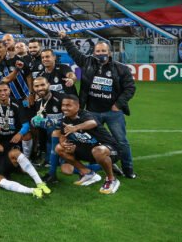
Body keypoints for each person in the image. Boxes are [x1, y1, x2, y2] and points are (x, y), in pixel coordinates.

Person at [60, 31, 136, 178]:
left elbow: (130, 88)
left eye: (103, 51)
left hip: (113, 113)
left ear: (109, 53)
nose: (100, 53)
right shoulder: (87, 62)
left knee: (121, 141)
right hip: (91, 112)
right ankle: (108, 163)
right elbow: (73, 52)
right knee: (92, 141)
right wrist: (65, 38)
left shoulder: (121, 68)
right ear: (94, 53)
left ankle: (128, 170)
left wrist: (118, 104)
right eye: (98, 51)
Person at [55, 94, 122, 194]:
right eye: (63, 105)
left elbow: (92, 123)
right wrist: (64, 143)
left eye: (68, 105)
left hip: (110, 149)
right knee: (59, 148)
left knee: (98, 151)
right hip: (88, 150)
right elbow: (62, 135)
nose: (65, 108)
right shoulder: (65, 119)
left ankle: (111, 179)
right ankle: (88, 174)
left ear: (77, 106)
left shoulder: (85, 114)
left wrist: (75, 127)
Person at [29, 76, 64, 184]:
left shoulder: (62, 98)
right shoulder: (39, 102)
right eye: (37, 86)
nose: (40, 88)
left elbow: (71, 118)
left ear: (48, 84)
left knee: (66, 167)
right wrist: (36, 121)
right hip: (51, 136)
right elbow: (42, 120)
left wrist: (49, 123)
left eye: (42, 85)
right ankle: (50, 164)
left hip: (66, 135)